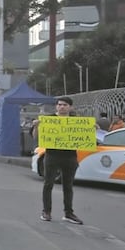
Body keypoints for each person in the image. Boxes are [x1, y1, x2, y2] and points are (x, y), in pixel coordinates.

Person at [41, 96, 83, 224]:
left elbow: (84, 137)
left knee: (68, 186)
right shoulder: (49, 119)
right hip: (52, 155)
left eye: (65, 105)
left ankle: (68, 213)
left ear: (70, 107)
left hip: (70, 156)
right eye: (59, 105)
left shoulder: (77, 121)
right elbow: (37, 137)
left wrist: (93, 129)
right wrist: (37, 127)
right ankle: (46, 211)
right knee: (48, 184)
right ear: (56, 107)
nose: (62, 107)